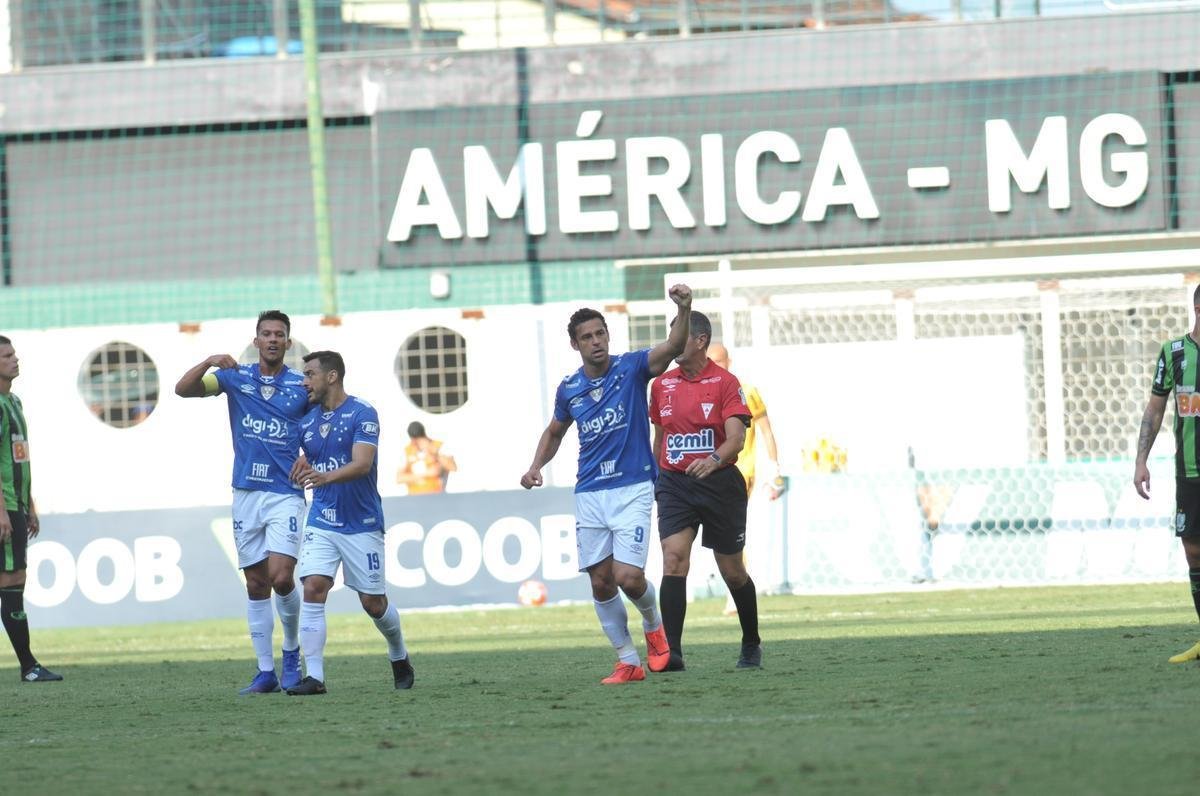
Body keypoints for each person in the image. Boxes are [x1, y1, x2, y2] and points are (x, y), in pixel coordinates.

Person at [520, 285, 693, 684]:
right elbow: (555, 431)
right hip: (590, 492)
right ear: (575, 344)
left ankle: (654, 625)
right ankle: (627, 660)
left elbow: (673, 346)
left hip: (633, 486)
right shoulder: (569, 388)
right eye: (587, 337)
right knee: (600, 581)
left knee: (627, 576)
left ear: (608, 336)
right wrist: (535, 466)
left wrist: (684, 309)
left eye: (600, 333)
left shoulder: (631, 368)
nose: (596, 341)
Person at [175, 310, 307, 694]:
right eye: (266, 334)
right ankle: (265, 672)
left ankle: (291, 653)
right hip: (246, 492)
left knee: (281, 577)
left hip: (285, 494)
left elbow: (321, 426)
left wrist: (312, 457)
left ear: (287, 342)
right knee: (255, 583)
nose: (272, 339)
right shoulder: (235, 378)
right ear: (256, 341)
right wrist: (208, 361)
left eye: (279, 334)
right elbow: (183, 390)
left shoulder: (301, 386)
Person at [286, 350, 413, 695]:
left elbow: (362, 463)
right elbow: (312, 453)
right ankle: (315, 677)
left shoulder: (362, 413)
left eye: (310, 374)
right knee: (313, 587)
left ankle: (398, 653)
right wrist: (302, 460)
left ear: (332, 377)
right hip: (322, 519)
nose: (304, 382)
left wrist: (324, 476)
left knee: (373, 604)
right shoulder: (306, 420)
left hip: (362, 522)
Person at [650, 312, 762, 670]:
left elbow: (736, 439)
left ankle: (751, 642)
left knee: (732, 571)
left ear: (700, 341)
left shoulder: (726, 382)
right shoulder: (661, 385)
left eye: (679, 336)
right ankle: (672, 654)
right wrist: (657, 478)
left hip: (720, 484)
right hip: (675, 483)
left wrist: (712, 460)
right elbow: (660, 437)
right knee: (673, 559)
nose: (672, 343)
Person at [1135, 287, 1200, 664]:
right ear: (1198, 308)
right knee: (1193, 551)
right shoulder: (1173, 352)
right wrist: (1140, 460)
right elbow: (1155, 409)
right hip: (1189, 471)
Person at [0, 336, 62, 683]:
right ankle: (29, 667)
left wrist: (30, 505)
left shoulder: (14, 401)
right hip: (5, 507)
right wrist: (2, 512)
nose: (15, 359)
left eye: (14, 353)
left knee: (14, 581)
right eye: (7, 356)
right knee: (11, 580)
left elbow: (18, 458)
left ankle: (29, 666)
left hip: (17, 505)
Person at [708, 343, 785, 615]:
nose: (715, 366)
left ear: (729, 361)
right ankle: (737, 587)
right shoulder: (704, 392)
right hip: (711, 471)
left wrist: (774, 468)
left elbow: (766, 431)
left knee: (731, 532)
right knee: (722, 533)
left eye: (719, 361)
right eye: (710, 361)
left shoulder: (747, 391)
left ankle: (736, 593)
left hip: (741, 471)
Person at [396, 421, 457, 494]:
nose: (416, 444)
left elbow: (453, 467)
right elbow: (399, 478)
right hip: (414, 496)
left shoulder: (439, 446)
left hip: (437, 495)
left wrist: (435, 453)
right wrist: (426, 474)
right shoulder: (408, 450)